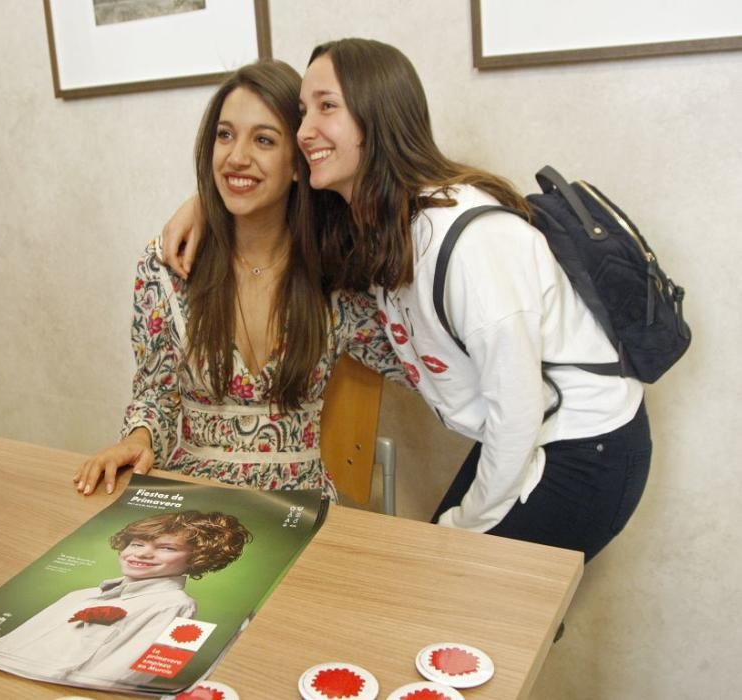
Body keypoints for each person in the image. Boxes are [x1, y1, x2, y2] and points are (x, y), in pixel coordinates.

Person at [160, 39, 652, 563]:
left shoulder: (468, 242)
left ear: (378, 116)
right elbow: (273, 197)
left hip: (583, 446)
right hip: (525, 434)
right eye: (302, 111)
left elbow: (518, 414)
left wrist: (462, 530)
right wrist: (208, 206)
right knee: (444, 581)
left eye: (327, 106)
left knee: (462, 599)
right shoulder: (375, 221)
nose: (304, 131)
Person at [74, 59, 402, 498]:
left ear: (297, 164)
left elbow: (417, 357)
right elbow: (155, 394)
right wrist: (137, 440)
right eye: (224, 135)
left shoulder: (335, 271)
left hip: (295, 507)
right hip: (186, 498)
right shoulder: (169, 265)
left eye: (263, 140)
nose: (236, 157)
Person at [0, 510, 251, 689]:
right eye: (137, 544)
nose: (141, 554)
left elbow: (130, 673)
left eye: (165, 548)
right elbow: (13, 642)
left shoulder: (176, 605)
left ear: (197, 558)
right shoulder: (79, 596)